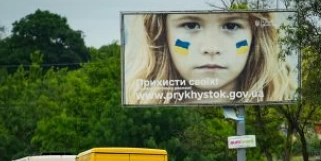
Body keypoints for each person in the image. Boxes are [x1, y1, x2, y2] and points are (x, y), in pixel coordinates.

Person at [124, 11, 298, 105]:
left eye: (231, 25)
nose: (211, 48)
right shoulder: (139, 106)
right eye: (191, 25)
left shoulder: (283, 111)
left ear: (256, 36)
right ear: (162, 33)